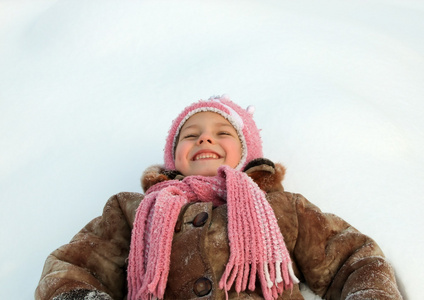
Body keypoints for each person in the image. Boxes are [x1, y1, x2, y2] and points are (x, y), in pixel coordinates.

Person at [35, 95, 403, 300]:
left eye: (222, 132)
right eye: (190, 134)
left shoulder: (279, 207)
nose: (204, 139)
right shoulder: (134, 211)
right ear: (173, 155)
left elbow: (353, 259)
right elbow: (72, 267)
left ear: (246, 152)